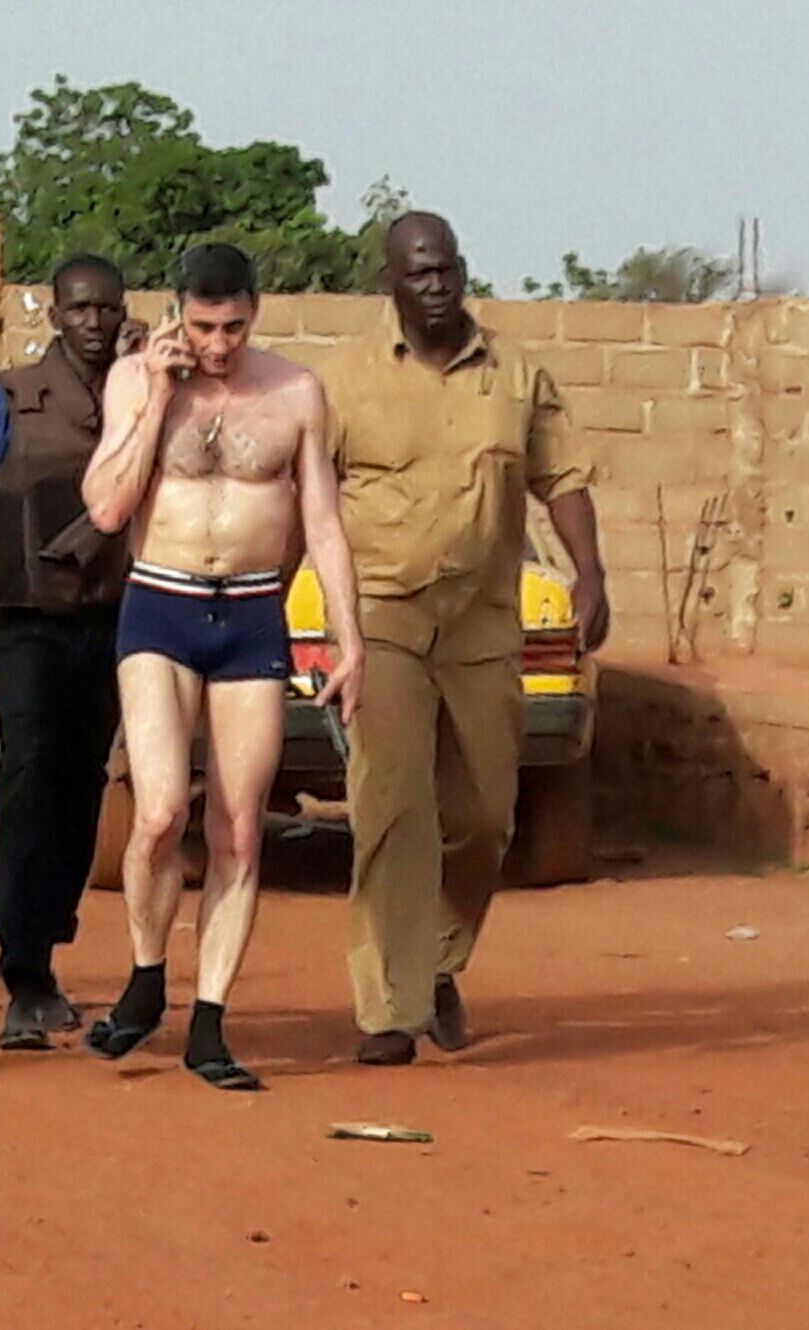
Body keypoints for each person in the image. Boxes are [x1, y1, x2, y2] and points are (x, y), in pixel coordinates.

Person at [318, 213, 609, 1066]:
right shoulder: (342, 382)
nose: (436, 285)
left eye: (447, 269)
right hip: (381, 618)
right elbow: (308, 497)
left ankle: (439, 962)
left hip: (484, 619)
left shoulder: (516, 375)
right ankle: (387, 1007)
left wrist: (590, 574)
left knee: (486, 815)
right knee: (391, 804)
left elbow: (565, 477)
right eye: (418, 273)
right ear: (390, 284)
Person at [79, 243, 364, 1090]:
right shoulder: (137, 380)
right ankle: (143, 976)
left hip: (248, 616)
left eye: (234, 325)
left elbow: (323, 522)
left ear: (256, 312)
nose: (219, 343)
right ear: (177, 313)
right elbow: (106, 505)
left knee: (239, 827)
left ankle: (209, 1022)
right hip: (158, 604)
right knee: (161, 810)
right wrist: (159, 392)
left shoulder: (295, 393)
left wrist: (351, 641)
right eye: (203, 326)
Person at [0, 253, 134, 1050]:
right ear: (53, 315)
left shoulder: (139, 394)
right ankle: (21, 973)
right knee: (27, 780)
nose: (93, 322)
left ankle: (47, 947)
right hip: (25, 620)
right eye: (79, 309)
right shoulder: (9, 400)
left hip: (111, 619)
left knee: (84, 785)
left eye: (107, 309)